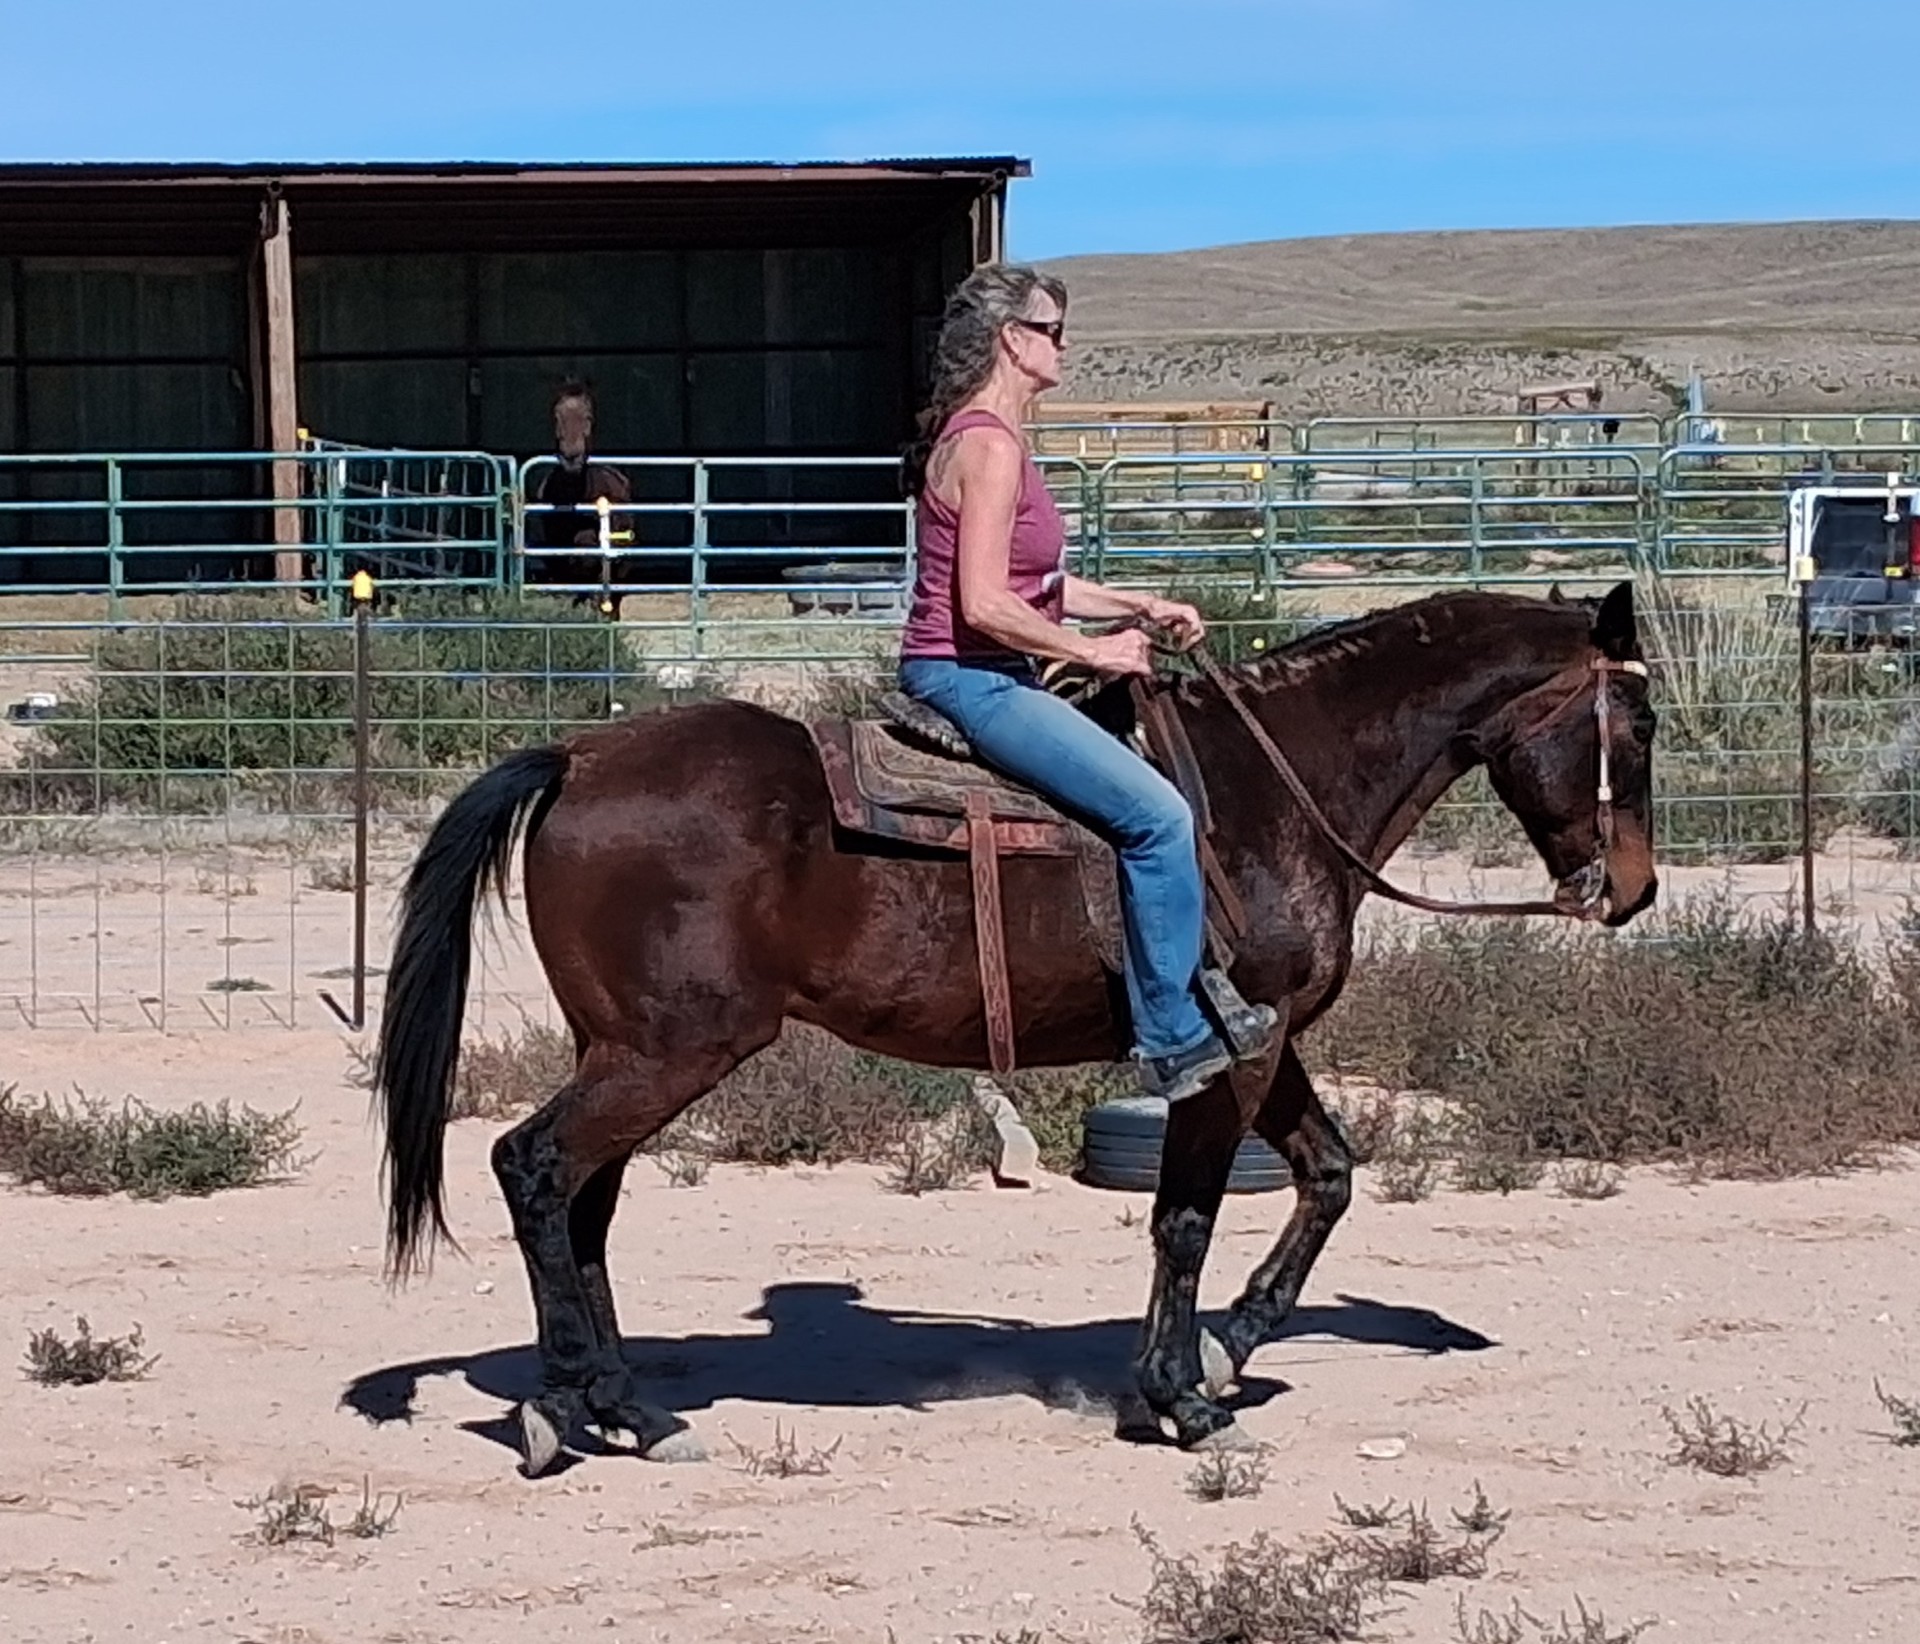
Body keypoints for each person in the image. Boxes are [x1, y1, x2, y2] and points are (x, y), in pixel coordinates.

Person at [896, 263, 1276, 1103]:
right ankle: (1170, 1036)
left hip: (990, 667)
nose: (1065, 345)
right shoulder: (990, 446)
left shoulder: (990, 435)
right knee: (1156, 816)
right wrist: (1095, 653)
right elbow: (986, 603)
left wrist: (1137, 601)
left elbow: (1037, 583)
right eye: (1053, 330)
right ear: (1012, 340)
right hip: (974, 678)